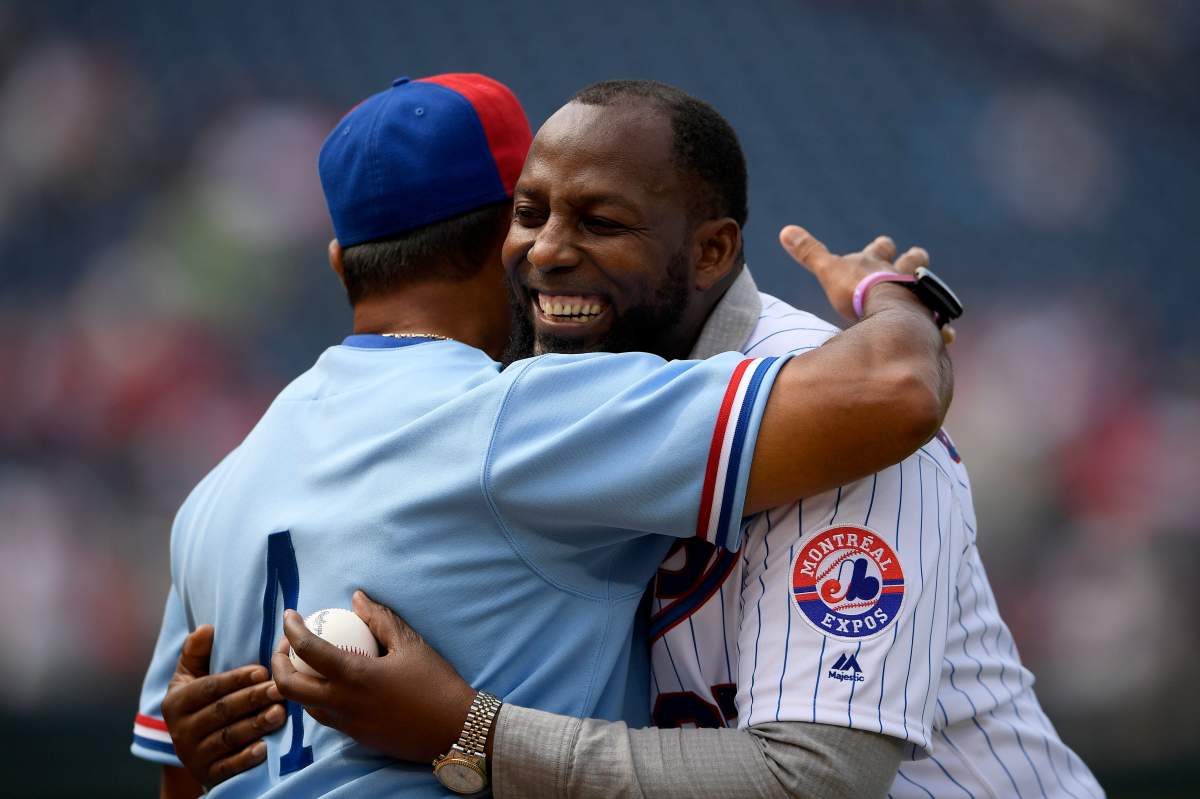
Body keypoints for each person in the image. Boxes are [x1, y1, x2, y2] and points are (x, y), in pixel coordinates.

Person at [181, 80, 1101, 798]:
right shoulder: (540, 403)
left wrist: (474, 734)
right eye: (529, 213)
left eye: (600, 221)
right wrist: (222, 739)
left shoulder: (843, 424)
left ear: (710, 252)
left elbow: (816, 779)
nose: (545, 249)